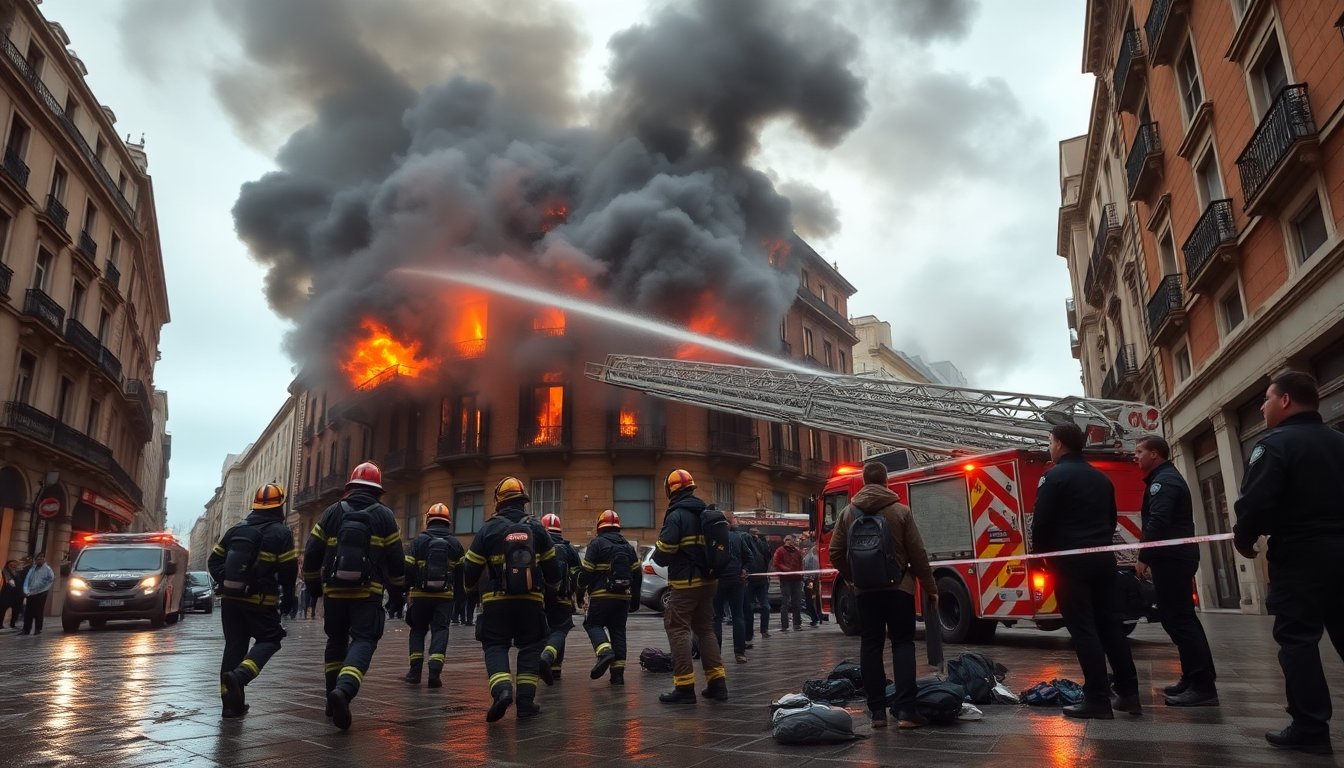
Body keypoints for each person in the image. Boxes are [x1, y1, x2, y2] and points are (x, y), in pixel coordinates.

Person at [1233, 371, 1344, 755]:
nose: (1261, 406)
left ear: (1284, 402)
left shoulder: (1274, 445)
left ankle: (1311, 726)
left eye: (1265, 398)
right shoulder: (1339, 441)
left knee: (1297, 639)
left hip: (1300, 555)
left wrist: (1244, 537)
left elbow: (1255, 502)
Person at [1031, 422, 1139, 719]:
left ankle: (1098, 699)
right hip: (1103, 562)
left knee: (1083, 630)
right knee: (1110, 627)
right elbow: (1110, 518)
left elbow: (1041, 523)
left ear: (1061, 444)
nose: (1049, 447)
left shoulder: (1053, 478)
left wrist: (1040, 556)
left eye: (1050, 441)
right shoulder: (1100, 478)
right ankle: (1130, 694)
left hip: (1071, 565)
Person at [829, 462, 937, 729]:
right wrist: (931, 587)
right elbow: (917, 554)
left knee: (870, 645)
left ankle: (877, 713)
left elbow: (834, 553)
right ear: (887, 481)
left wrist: (853, 578)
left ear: (864, 482)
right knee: (902, 644)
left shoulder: (847, 513)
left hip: (865, 592)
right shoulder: (901, 511)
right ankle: (906, 712)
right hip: (899, 589)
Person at [301, 461, 406, 731]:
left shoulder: (331, 513)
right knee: (364, 638)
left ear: (350, 486)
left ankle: (330, 698)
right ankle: (344, 692)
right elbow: (396, 562)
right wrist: (397, 595)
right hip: (367, 593)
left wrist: (314, 587)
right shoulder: (385, 517)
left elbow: (311, 553)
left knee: (336, 640)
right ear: (377, 490)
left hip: (334, 591)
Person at [461, 477, 562, 722]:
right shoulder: (538, 528)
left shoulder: (487, 529)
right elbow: (553, 571)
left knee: (495, 646)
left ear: (499, 501)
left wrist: (469, 589)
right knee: (530, 648)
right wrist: (550, 589)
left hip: (496, 602)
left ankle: (502, 690)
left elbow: (470, 569)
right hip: (531, 601)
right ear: (523, 502)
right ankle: (526, 704)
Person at [1133, 435, 1218, 707]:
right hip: (1173, 558)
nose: (1135, 456)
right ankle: (1193, 678)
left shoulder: (1164, 482)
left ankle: (1202, 685)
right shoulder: (1163, 478)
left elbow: (1159, 519)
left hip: (1173, 559)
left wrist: (1144, 556)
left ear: (1155, 454)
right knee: (1177, 619)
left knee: (1180, 620)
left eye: (1140, 451)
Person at [209, 483, 298, 718]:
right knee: (271, 639)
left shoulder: (236, 530)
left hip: (230, 601)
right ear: (280, 506)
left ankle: (230, 705)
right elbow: (289, 570)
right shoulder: (281, 533)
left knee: (234, 646)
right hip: (260, 602)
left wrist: (227, 580)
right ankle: (240, 677)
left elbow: (213, 561)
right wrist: (289, 598)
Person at [652, 469, 727, 704]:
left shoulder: (676, 515)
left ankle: (684, 687)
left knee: (678, 629)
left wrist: (658, 549)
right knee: (705, 629)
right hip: (709, 582)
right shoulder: (705, 512)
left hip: (685, 584)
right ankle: (717, 684)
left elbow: (664, 554)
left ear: (671, 490)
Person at [402, 503, 465, 688]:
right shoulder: (455, 544)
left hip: (419, 596)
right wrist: (460, 600)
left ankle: (414, 673)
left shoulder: (418, 541)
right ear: (448, 522)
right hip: (444, 598)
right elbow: (462, 574)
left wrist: (406, 591)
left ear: (428, 520)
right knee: (440, 631)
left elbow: (408, 569)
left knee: (418, 631)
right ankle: (434, 673)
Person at [578, 510, 642, 685]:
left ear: (600, 526)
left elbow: (586, 572)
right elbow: (638, 575)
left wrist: (579, 590)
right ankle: (618, 675)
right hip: (623, 599)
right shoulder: (628, 547)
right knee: (618, 631)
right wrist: (635, 600)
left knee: (592, 624)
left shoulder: (596, 544)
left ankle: (604, 652)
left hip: (600, 596)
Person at [538, 513, 581, 684]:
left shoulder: (538, 545)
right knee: (560, 630)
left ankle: (548, 665)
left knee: (543, 630)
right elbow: (578, 575)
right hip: (562, 598)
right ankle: (552, 664)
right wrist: (576, 596)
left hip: (539, 598)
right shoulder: (569, 549)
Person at [712, 516, 753, 663]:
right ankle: (739, 653)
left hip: (717, 581)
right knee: (738, 616)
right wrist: (744, 569)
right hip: (736, 580)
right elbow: (749, 556)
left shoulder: (712, 539)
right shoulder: (737, 538)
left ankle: (716, 654)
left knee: (716, 617)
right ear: (728, 526)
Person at [771, 535, 804, 632]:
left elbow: (801, 563)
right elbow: (777, 563)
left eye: (791, 540)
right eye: (787, 540)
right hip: (786, 579)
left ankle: (797, 624)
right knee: (785, 603)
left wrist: (801, 574)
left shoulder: (797, 551)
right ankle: (785, 625)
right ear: (785, 541)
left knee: (797, 602)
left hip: (797, 578)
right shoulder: (780, 550)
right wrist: (787, 570)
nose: (789, 542)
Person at [743, 528, 770, 645]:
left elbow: (767, 554)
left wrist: (759, 541)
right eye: (753, 533)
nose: (755, 535)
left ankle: (764, 630)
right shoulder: (745, 541)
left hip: (762, 579)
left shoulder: (762, 543)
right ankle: (749, 633)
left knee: (765, 606)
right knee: (749, 608)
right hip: (750, 580)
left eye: (756, 533)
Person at [20, 553, 55, 635]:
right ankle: (26, 629)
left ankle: (38, 629)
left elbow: (51, 579)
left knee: (38, 611)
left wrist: (43, 587)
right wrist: (26, 590)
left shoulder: (47, 569)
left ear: (43, 560)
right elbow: (27, 579)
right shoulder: (33, 568)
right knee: (28, 612)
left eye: (40, 559)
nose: (38, 561)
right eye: (37, 559)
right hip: (31, 593)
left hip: (41, 593)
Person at [1, 559, 22, 629]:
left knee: (15, 610)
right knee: (2, 610)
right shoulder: (4, 571)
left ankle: (12, 623)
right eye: (12, 563)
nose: (14, 564)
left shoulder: (16, 572)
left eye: (15, 563)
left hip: (15, 595)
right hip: (5, 594)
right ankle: (0, 624)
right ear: (8, 563)